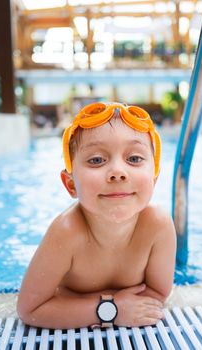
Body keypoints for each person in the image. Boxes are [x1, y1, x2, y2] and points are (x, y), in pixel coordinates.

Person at [17, 102, 176, 329]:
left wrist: (81, 306)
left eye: (134, 159)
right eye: (96, 160)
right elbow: (30, 310)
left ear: (154, 178)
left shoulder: (157, 226)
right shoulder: (67, 232)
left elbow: (157, 294)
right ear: (70, 185)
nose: (118, 172)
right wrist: (112, 309)